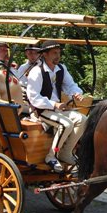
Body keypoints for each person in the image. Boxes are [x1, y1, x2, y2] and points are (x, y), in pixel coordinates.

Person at [26, 40, 86, 172]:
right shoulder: (36, 72)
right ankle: (51, 156)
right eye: (54, 53)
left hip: (56, 110)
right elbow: (33, 97)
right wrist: (54, 104)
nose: (57, 56)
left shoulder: (61, 69)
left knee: (82, 119)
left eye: (59, 53)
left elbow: (70, 85)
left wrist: (76, 93)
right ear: (45, 55)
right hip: (40, 111)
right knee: (66, 124)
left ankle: (65, 152)